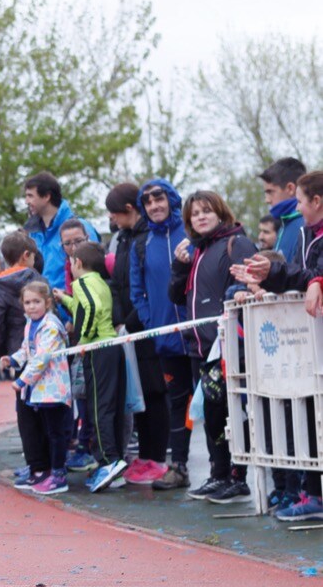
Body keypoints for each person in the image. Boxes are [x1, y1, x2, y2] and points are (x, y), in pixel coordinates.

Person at [238, 170, 323, 519]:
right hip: (310, 344)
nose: (299, 209)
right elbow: (304, 275)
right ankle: (312, 494)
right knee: (310, 414)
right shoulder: (306, 234)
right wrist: (269, 273)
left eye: (301, 202)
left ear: (316, 201)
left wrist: (317, 279)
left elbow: (313, 274)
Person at [168, 191, 256, 504]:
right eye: (195, 214)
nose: (201, 217)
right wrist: (180, 267)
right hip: (200, 347)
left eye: (207, 211)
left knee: (231, 412)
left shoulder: (236, 242)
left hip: (229, 346)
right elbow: (177, 297)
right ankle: (218, 474)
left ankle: (237, 476)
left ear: (219, 212)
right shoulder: (196, 251)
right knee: (211, 413)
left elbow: (249, 284)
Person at [104, 183, 172, 486]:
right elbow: (119, 284)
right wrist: (118, 320)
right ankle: (144, 455)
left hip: (145, 326)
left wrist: (131, 322)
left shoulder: (146, 238)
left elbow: (145, 288)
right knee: (140, 395)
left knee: (155, 393)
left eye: (115, 213)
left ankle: (158, 456)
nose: (112, 219)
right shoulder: (124, 239)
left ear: (129, 209)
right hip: (127, 327)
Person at [131, 178, 194, 490]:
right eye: (148, 202)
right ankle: (178, 467)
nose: (154, 206)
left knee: (214, 403)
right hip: (165, 339)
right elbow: (136, 290)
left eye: (159, 199)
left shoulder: (192, 232)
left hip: (200, 337)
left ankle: (227, 473)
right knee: (177, 404)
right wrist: (151, 322)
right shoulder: (141, 244)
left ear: (171, 199)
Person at [56, 242, 127, 493]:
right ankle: (114, 461)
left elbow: (91, 309)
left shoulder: (82, 283)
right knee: (111, 406)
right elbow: (85, 306)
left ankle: (108, 461)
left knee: (98, 409)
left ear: (78, 263)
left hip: (98, 349)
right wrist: (64, 298)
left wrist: (83, 340)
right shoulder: (99, 282)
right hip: (112, 348)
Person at [0, 281, 71, 494]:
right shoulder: (31, 323)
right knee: (46, 431)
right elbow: (27, 350)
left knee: (56, 433)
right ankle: (48, 469)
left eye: (36, 302)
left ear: (47, 302)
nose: (31, 306)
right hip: (41, 390)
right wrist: (13, 360)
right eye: (27, 302)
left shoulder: (50, 326)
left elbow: (41, 358)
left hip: (54, 389)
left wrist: (22, 381)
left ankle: (59, 474)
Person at [0, 232, 45, 472]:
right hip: (44, 351)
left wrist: (3, 351)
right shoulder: (38, 281)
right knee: (48, 409)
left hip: (18, 352)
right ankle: (51, 464)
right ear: (27, 255)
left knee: (26, 410)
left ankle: (35, 464)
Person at [22, 172, 99, 291]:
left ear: (46, 197)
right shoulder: (32, 233)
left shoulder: (80, 228)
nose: (26, 201)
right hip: (41, 306)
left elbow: (94, 271)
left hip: (73, 306)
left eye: (30, 196)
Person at [259, 157, 307, 263]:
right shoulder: (285, 223)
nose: (267, 200)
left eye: (270, 192)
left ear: (290, 189)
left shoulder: (307, 225)